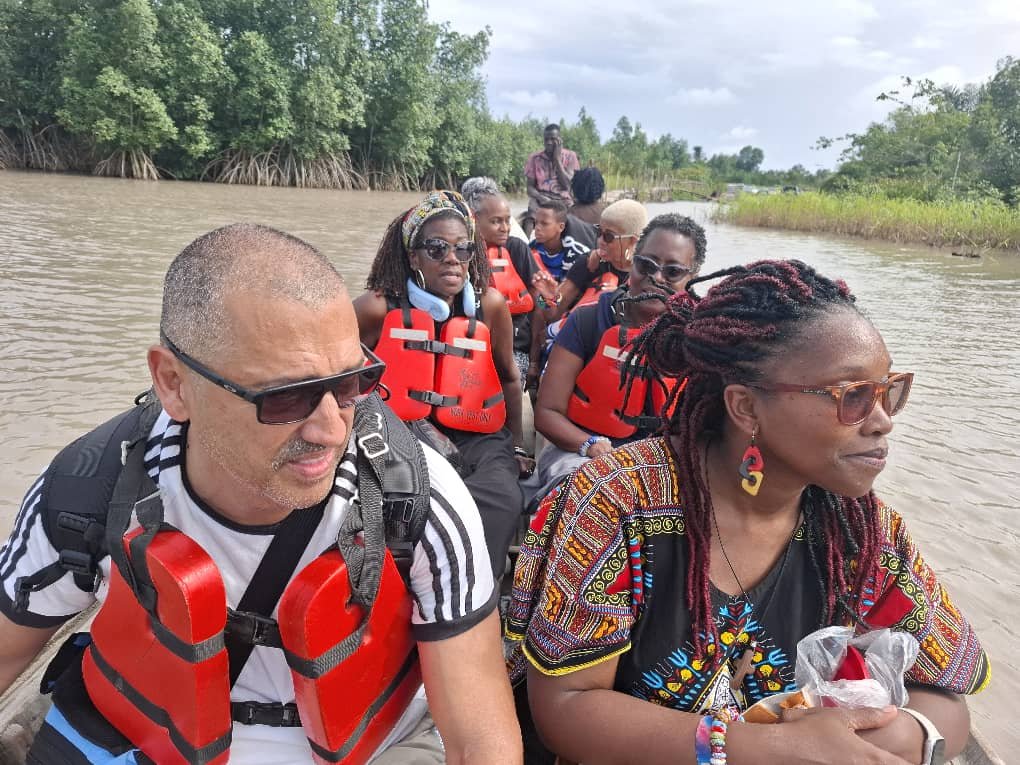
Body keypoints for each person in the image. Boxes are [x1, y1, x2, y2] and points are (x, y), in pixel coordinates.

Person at [0, 224, 522, 765]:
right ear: (174, 383)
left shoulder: (417, 499)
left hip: (371, 746)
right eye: (285, 397)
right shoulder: (91, 489)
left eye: (351, 384)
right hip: (145, 738)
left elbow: (478, 740)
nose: (330, 430)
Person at [507, 260, 989, 764]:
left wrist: (890, 738)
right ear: (746, 407)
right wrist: (764, 749)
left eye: (890, 390)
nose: (882, 421)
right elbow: (565, 707)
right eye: (853, 396)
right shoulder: (617, 501)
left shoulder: (865, 534)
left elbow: (948, 701)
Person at [354, 191, 528, 579]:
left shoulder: (490, 305)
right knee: (396, 497)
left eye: (462, 249)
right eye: (436, 248)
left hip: (479, 436)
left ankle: (476, 587)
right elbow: (335, 375)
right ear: (413, 257)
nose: (452, 258)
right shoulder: (377, 308)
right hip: (398, 431)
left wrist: (517, 444)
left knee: (500, 497)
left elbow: (508, 376)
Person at [532, 214, 705, 495]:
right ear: (633, 259)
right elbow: (547, 413)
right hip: (580, 451)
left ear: (693, 278)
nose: (656, 277)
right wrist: (590, 445)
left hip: (660, 460)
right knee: (593, 492)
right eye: (646, 265)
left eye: (673, 272)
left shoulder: (700, 338)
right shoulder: (587, 321)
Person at [461, 176, 543, 391]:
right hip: (469, 346)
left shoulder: (517, 249)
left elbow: (540, 304)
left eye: (508, 220)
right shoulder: (459, 253)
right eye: (496, 221)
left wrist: (534, 361)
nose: (505, 228)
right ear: (473, 219)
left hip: (515, 350)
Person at [532, 198, 648, 323]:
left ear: (632, 241)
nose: (600, 241)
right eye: (598, 232)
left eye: (608, 236)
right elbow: (550, 315)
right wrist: (546, 298)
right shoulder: (588, 263)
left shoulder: (649, 276)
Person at [522, 124, 580, 236]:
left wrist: (557, 159)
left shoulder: (570, 156)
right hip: (542, 197)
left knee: (572, 219)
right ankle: (526, 243)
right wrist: (542, 198)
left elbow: (567, 185)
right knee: (531, 215)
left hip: (563, 199)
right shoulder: (535, 158)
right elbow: (530, 188)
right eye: (546, 139)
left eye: (553, 139)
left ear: (560, 140)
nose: (549, 142)